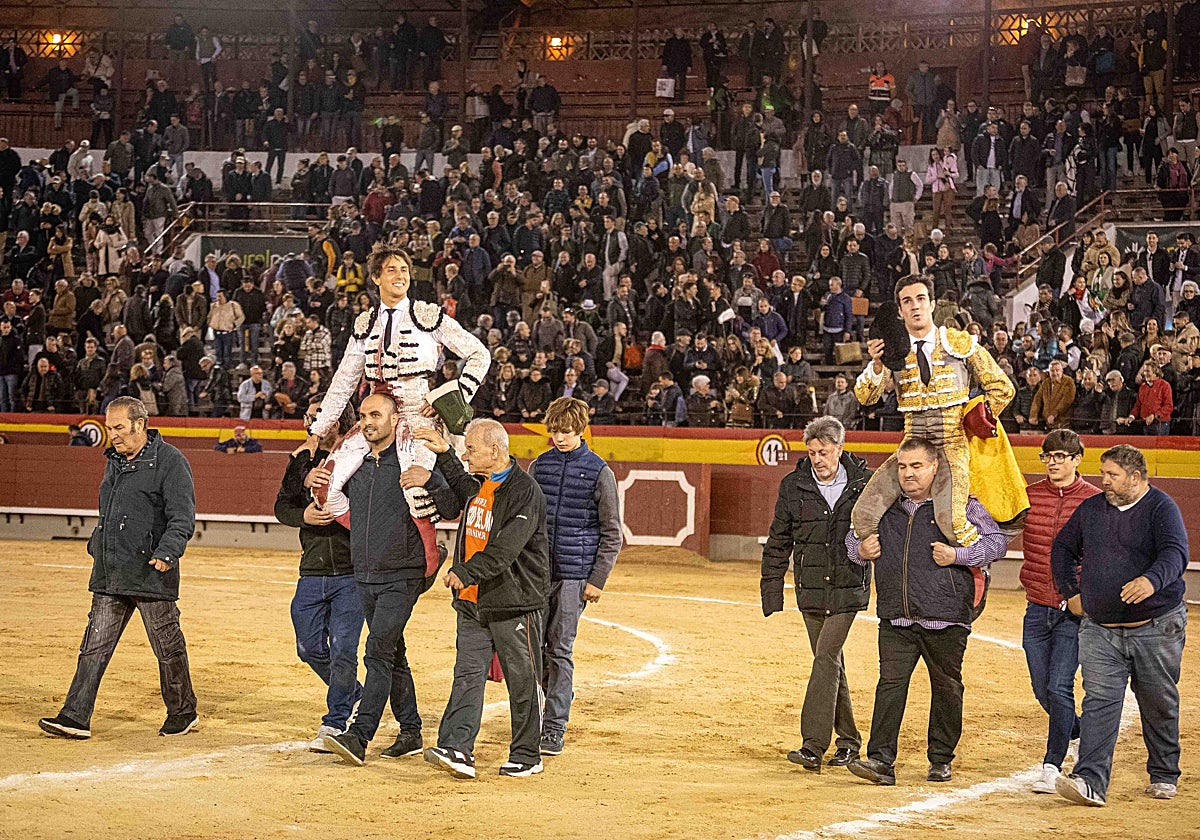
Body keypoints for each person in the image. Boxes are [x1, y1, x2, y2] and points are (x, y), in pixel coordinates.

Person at [303, 245, 490, 576]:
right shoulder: (365, 324)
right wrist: (317, 433)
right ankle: (371, 536)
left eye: (404, 269)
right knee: (325, 488)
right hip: (375, 414)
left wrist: (455, 397)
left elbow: (480, 354)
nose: (400, 275)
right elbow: (344, 381)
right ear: (375, 278)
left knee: (415, 487)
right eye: (391, 269)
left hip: (419, 410)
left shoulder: (428, 316)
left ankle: (430, 558)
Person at [844, 437, 1009, 786]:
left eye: (917, 466)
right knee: (890, 686)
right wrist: (861, 550)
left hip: (946, 615)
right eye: (902, 467)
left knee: (947, 688)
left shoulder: (960, 504)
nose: (908, 474)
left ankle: (940, 758)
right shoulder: (884, 505)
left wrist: (958, 556)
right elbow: (851, 541)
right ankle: (880, 761)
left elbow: (997, 542)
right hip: (896, 614)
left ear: (935, 467)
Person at [38, 397, 198, 740]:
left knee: (166, 647)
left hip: (151, 571)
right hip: (111, 571)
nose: (113, 436)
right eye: (110, 428)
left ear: (140, 424)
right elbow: (108, 511)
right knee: (93, 645)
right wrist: (98, 543)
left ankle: (183, 712)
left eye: (119, 428)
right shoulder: (115, 461)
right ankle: (75, 716)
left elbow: (182, 517)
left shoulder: (170, 461)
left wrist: (168, 553)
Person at [319, 394, 459, 766]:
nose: (367, 421)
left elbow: (451, 509)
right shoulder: (355, 467)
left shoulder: (415, 461)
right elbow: (335, 505)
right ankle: (410, 731)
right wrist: (314, 478)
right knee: (393, 651)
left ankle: (359, 736)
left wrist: (432, 480)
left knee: (377, 651)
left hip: (403, 572)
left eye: (376, 414)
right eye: (363, 415)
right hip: (365, 572)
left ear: (396, 419)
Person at [1051, 444, 1189, 806]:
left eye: (1112, 475)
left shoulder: (1162, 507)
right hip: (1100, 628)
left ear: (1136, 478)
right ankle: (1090, 781)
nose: (1104, 481)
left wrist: (1151, 581)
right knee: (1099, 702)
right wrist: (1071, 592)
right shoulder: (1092, 508)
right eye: (1104, 474)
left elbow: (1176, 552)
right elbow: (1063, 548)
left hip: (1156, 625)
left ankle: (1163, 773)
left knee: (1158, 700)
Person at [419, 419, 551, 779]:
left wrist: (464, 572)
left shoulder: (525, 491)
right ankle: (457, 748)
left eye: (471, 449)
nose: (466, 454)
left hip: (514, 602)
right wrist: (444, 452)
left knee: (522, 679)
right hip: (473, 601)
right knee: (467, 675)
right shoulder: (480, 483)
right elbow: (461, 484)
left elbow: (506, 547)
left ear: (495, 451)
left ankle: (527, 754)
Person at [853, 275, 1022, 548]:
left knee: (953, 525)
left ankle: (980, 569)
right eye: (907, 301)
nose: (915, 306)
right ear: (899, 310)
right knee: (862, 517)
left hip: (951, 444)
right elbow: (866, 397)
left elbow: (1003, 387)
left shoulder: (958, 342)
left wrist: (976, 417)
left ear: (932, 304)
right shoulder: (892, 350)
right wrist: (877, 363)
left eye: (921, 299)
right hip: (911, 448)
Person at [761, 416, 872, 772]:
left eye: (823, 452)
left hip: (847, 586)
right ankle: (850, 742)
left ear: (840, 448)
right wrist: (772, 590)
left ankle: (813, 745)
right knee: (831, 663)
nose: (817, 459)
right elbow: (779, 539)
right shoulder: (793, 486)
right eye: (812, 453)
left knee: (825, 657)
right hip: (810, 589)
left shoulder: (863, 484)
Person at [528, 397, 622, 756]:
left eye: (565, 432)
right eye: (554, 432)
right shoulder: (539, 466)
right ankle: (560, 694)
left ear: (580, 430)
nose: (559, 438)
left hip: (574, 576)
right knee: (534, 650)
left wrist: (597, 579)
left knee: (560, 648)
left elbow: (611, 531)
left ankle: (554, 727)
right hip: (538, 575)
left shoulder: (599, 471)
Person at [274, 394, 364, 751]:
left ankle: (335, 720)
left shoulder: (358, 456)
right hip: (312, 569)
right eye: (308, 417)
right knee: (309, 647)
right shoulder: (301, 460)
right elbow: (282, 506)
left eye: (316, 418)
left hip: (350, 571)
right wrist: (303, 516)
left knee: (343, 649)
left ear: (337, 421)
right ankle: (353, 692)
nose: (309, 425)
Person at [1019, 429, 1101, 794]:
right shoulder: (1029, 496)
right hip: (1037, 605)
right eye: (1047, 456)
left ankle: (1051, 765)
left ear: (1077, 459)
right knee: (1042, 688)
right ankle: (1078, 729)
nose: (1053, 462)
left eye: (1061, 456)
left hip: (1074, 610)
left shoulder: (1095, 501)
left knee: (1058, 685)